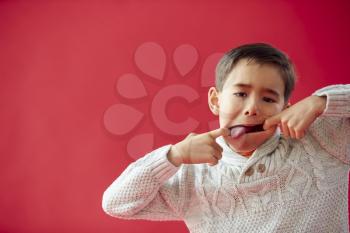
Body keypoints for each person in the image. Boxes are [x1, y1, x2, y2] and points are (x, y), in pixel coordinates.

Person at [102, 43, 350, 232]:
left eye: (268, 99)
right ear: (215, 100)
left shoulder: (322, 140)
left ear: (285, 110)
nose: (252, 108)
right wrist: (173, 156)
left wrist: (322, 101)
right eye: (241, 94)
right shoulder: (192, 175)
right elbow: (116, 203)